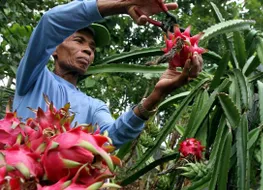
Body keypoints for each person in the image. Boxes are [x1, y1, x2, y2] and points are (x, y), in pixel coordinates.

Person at [13, 0, 204, 148]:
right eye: (79, 41)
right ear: (54, 48)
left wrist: (156, 96)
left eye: (92, 47)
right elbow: (50, 22)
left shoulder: (94, 106)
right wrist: (122, 5)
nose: (88, 50)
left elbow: (110, 138)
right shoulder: (34, 77)